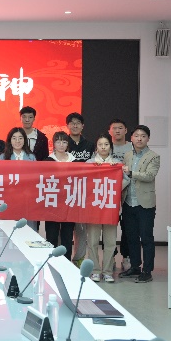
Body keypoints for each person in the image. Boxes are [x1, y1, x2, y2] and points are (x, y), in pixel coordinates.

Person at [86, 133, 130, 283]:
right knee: (92, 241)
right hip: (93, 207)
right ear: (96, 148)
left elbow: (126, 181)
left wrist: (118, 173)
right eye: (100, 144)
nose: (103, 147)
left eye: (106, 144)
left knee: (110, 241)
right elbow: (83, 182)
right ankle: (95, 270)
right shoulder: (89, 163)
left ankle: (108, 271)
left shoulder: (116, 163)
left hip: (110, 207)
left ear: (110, 147)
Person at [119, 125, 160, 283]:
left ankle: (147, 271)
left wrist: (131, 173)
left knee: (147, 238)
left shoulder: (153, 156)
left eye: (143, 136)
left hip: (145, 204)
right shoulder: (128, 155)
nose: (139, 138)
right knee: (131, 237)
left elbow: (149, 176)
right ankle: (135, 266)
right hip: (128, 202)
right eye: (136, 135)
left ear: (148, 138)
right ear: (131, 138)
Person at [66, 112, 95, 267]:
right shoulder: (63, 143)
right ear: (68, 125)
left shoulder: (90, 145)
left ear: (82, 126)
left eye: (78, 123)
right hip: (66, 190)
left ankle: (78, 258)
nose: (75, 125)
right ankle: (63, 257)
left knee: (81, 228)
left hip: (84, 191)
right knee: (65, 227)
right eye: (72, 123)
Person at [43, 131, 76, 260]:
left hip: (69, 203)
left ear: (68, 144)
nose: (61, 144)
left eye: (64, 142)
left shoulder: (75, 161)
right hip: (52, 203)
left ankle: (66, 262)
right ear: (54, 144)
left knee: (67, 236)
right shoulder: (47, 161)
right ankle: (51, 262)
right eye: (58, 141)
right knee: (51, 236)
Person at [0, 127, 37, 229]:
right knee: (9, 229)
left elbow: (35, 180)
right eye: (14, 138)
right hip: (9, 198)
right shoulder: (3, 158)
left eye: (20, 138)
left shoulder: (31, 157)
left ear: (24, 140)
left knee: (27, 229)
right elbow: (0, 180)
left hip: (27, 199)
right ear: (9, 140)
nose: (17, 141)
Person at [109, 118, 133, 271]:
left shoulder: (132, 147)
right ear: (109, 131)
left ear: (126, 130)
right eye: (114, 128)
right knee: (108, 226)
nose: (117, 131)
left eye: (120, 128)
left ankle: (126, 257)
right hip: (109, 192)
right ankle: (110, 256)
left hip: (127, 191)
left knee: (127, 226)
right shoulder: (106, 145)